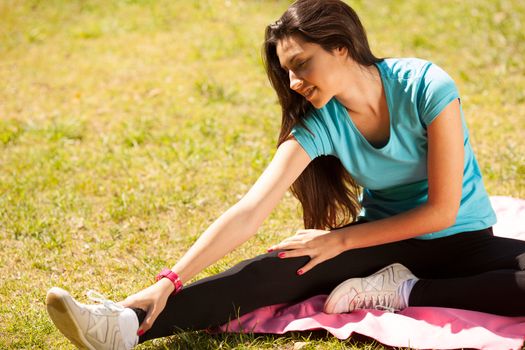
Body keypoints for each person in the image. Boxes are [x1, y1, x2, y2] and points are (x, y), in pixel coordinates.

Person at [45, 0, 525, 349]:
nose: (294, 82)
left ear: (340, 47)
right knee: (283, 268)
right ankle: (125, 324)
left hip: (465, 236)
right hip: (380, 242)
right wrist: (169, 280)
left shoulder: (425, 86)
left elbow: (441, 210)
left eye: (301, 64)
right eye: (287, 71)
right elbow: (250, 210)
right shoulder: (321, 123)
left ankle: (402, 291)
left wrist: (339, 240)